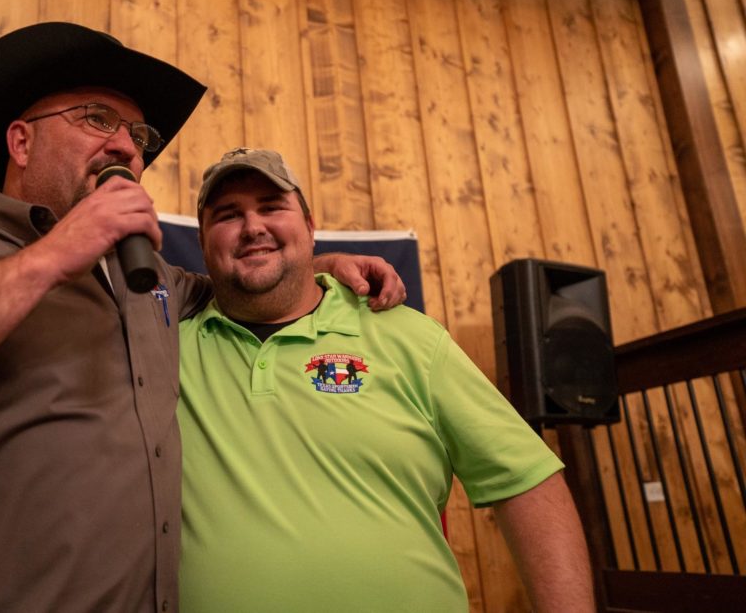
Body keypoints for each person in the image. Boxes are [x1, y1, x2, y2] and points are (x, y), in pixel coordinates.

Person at [0, 24, 404, 612]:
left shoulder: (150, 280)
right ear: (21, 141)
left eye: (138, 136)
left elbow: (234, 286)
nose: (127, 147)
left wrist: (319, 261)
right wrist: (54, 255)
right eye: (97, 119)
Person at [178, 148, 595, 612]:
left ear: (310, 226)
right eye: (228, 215)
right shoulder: (165, 349)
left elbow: (527, 485)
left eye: (272, 207)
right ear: (203, 240)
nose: (252, 226)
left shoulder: (409, 337)